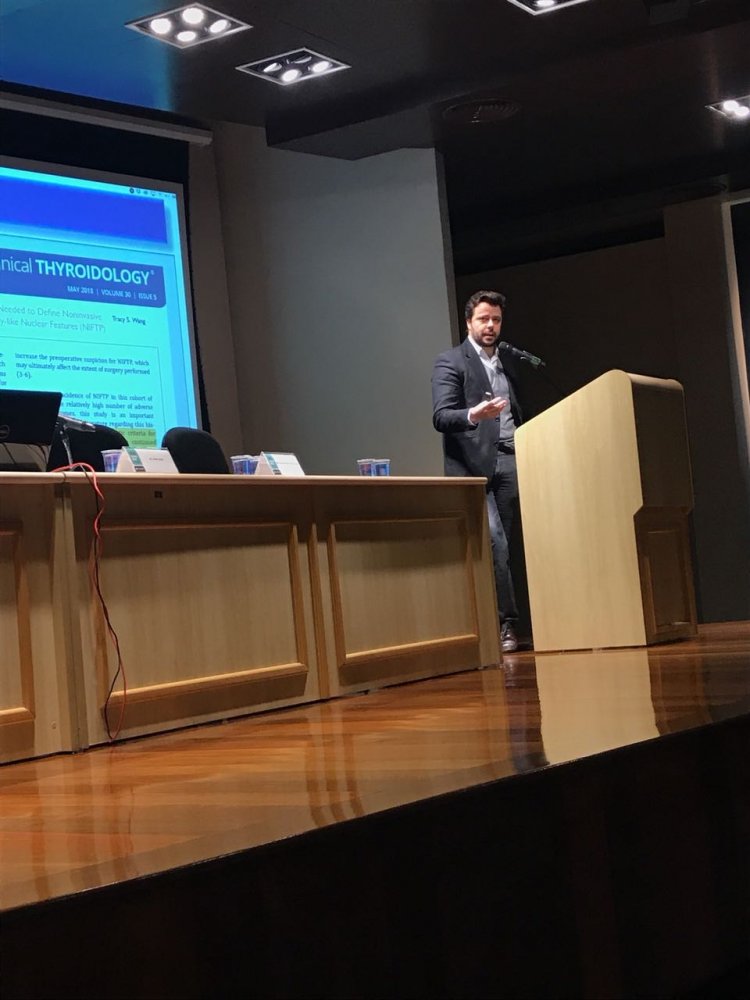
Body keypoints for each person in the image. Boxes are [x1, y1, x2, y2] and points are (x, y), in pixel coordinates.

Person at [431, 290, 525, 654]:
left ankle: (496, 622)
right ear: (469, 322)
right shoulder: (451, 361)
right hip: (472, 467)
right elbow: (441, 416)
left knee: (506, 546)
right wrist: (474, 414)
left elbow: (518, 412)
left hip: (510, 460)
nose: (490, 326)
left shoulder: (508, 362)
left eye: (496, 320)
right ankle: (505, 625)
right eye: (484, 319)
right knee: (494, 541)